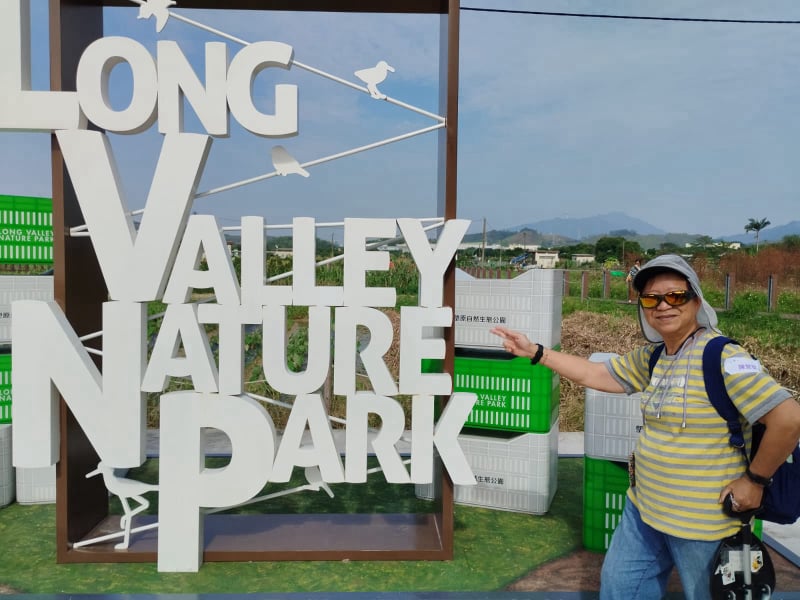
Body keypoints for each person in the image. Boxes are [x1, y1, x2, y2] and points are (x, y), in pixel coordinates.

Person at [491, 254, 800, 600]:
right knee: (621, 588)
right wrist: (536, 352)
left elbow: (788, 419)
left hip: (703, 523)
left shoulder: (724, 357)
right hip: (643, 511)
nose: (663, 305)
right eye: (652, 299)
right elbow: (597, 374)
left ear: (696, 300)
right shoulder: (655, 356)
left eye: (675, 296)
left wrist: (754, 481)